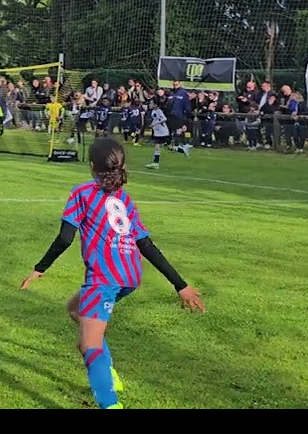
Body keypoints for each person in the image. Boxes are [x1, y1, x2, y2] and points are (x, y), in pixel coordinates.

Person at [20, 137, 205, 409]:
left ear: (91, 166)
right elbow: (146, 245)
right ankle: (107, 374)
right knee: (75, 309)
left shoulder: (82, 192)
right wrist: (180, 285)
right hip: (130, 275)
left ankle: (110, 403)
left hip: (104, 278)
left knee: (89, 346)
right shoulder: (124, 197)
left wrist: (40, 268)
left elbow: (64, 238)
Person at [145, 100, 189, 170]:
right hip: (158, 132)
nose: (150, 105)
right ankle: (182, 150)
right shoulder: (153, 111)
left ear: (156, 105)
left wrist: (154, 124)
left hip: (163, 132)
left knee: (157, 146)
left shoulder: (159, 111)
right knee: (168, 147)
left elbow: (164, 119)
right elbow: (156, 119)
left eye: (151, 103)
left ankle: (156, 163)